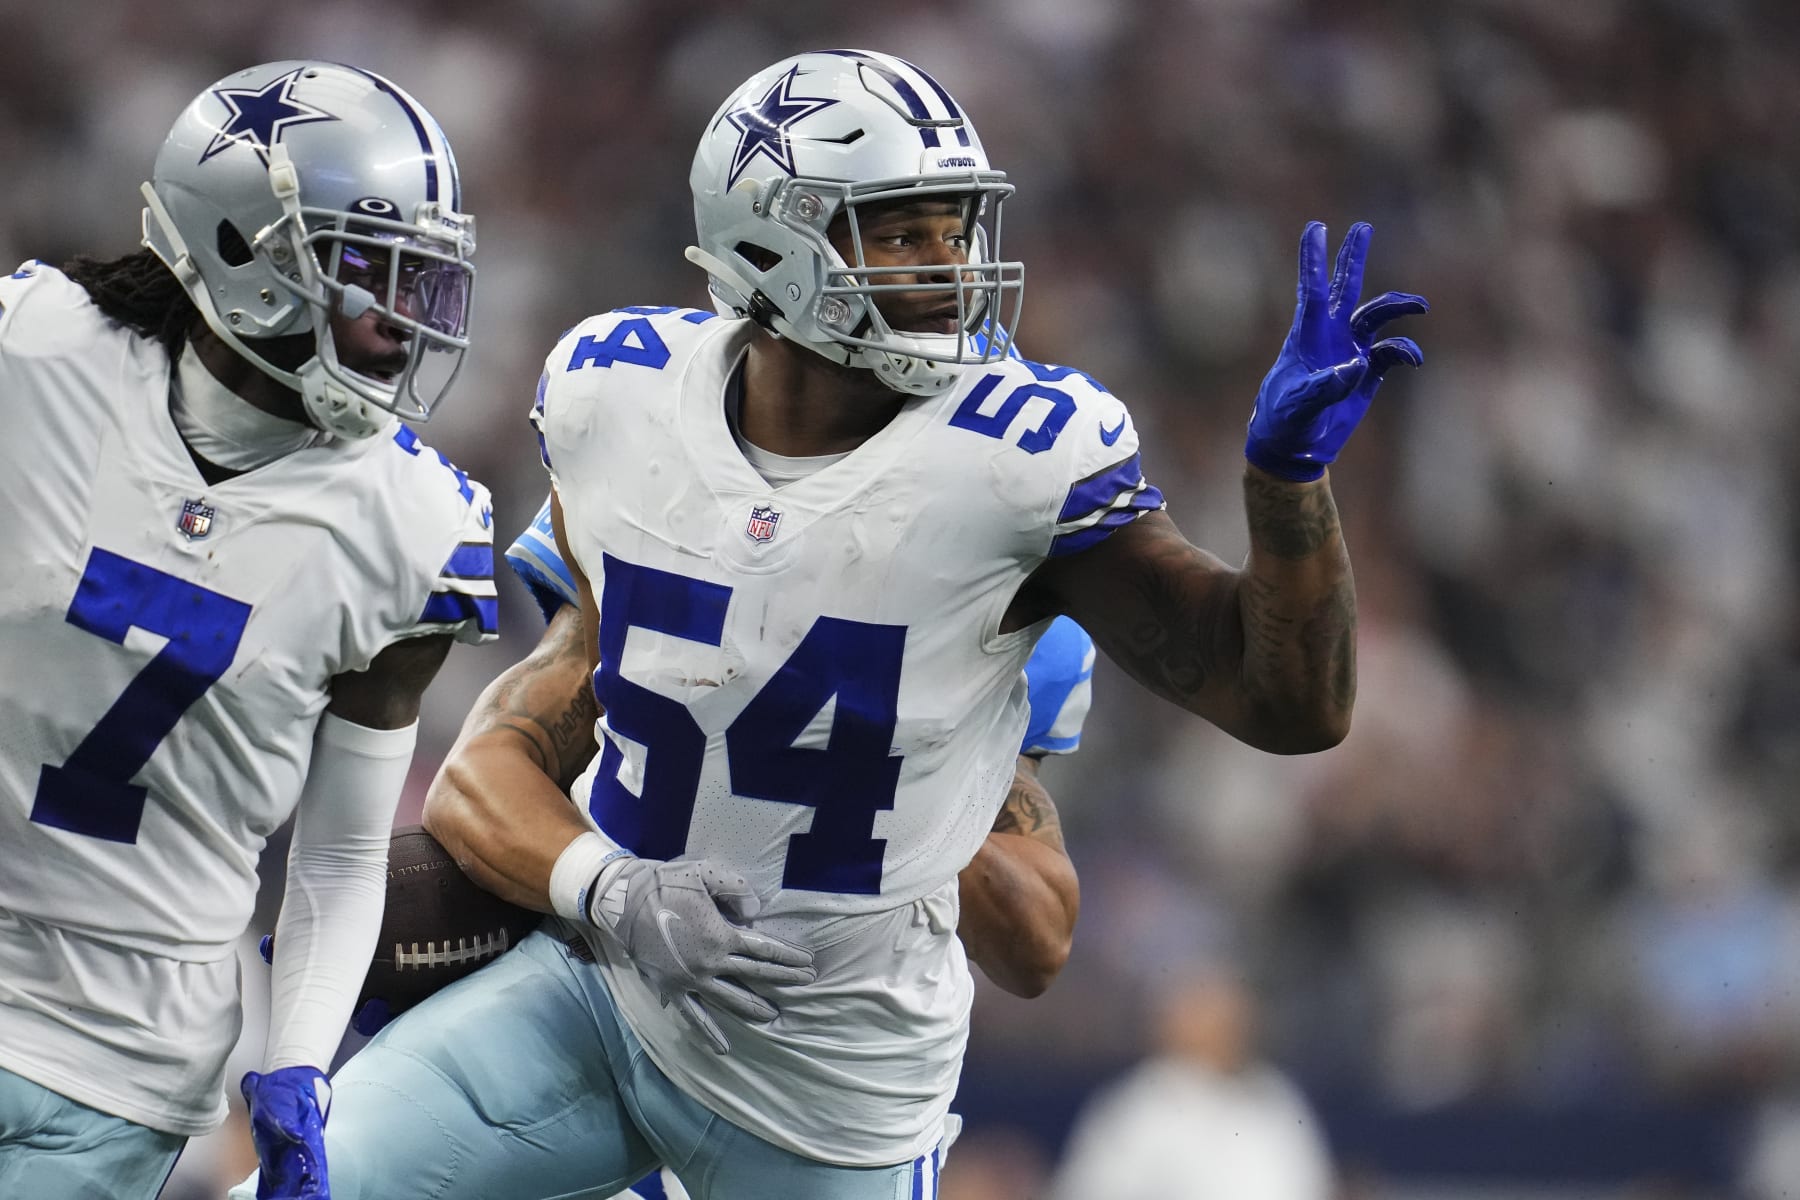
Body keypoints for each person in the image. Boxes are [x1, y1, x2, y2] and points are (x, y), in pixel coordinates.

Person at [243, 46, 1427, 1199]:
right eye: (906, 230)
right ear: (773, 240)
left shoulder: (1018, 466)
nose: (953, 264)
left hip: (833, 1097)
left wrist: (1284, 486)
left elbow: (1288, 708)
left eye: (959, 228)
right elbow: (530, 725)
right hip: (603, 998)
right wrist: (608, 888)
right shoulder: (622, 397)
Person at [0, 61, 492, 1200]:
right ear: (240, 247)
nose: (404, 319)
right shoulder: (37, 352)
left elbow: (340, 850)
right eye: (369, 270)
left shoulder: (416, 526)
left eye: (424, 277)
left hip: (119, 1055)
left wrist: (300, 1065)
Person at [1050, 969, 1335, 1200]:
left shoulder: (1277, 1097)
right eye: (1209, 1013)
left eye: (1231, 1015)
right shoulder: (1138, 1108)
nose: (1227, 1026)